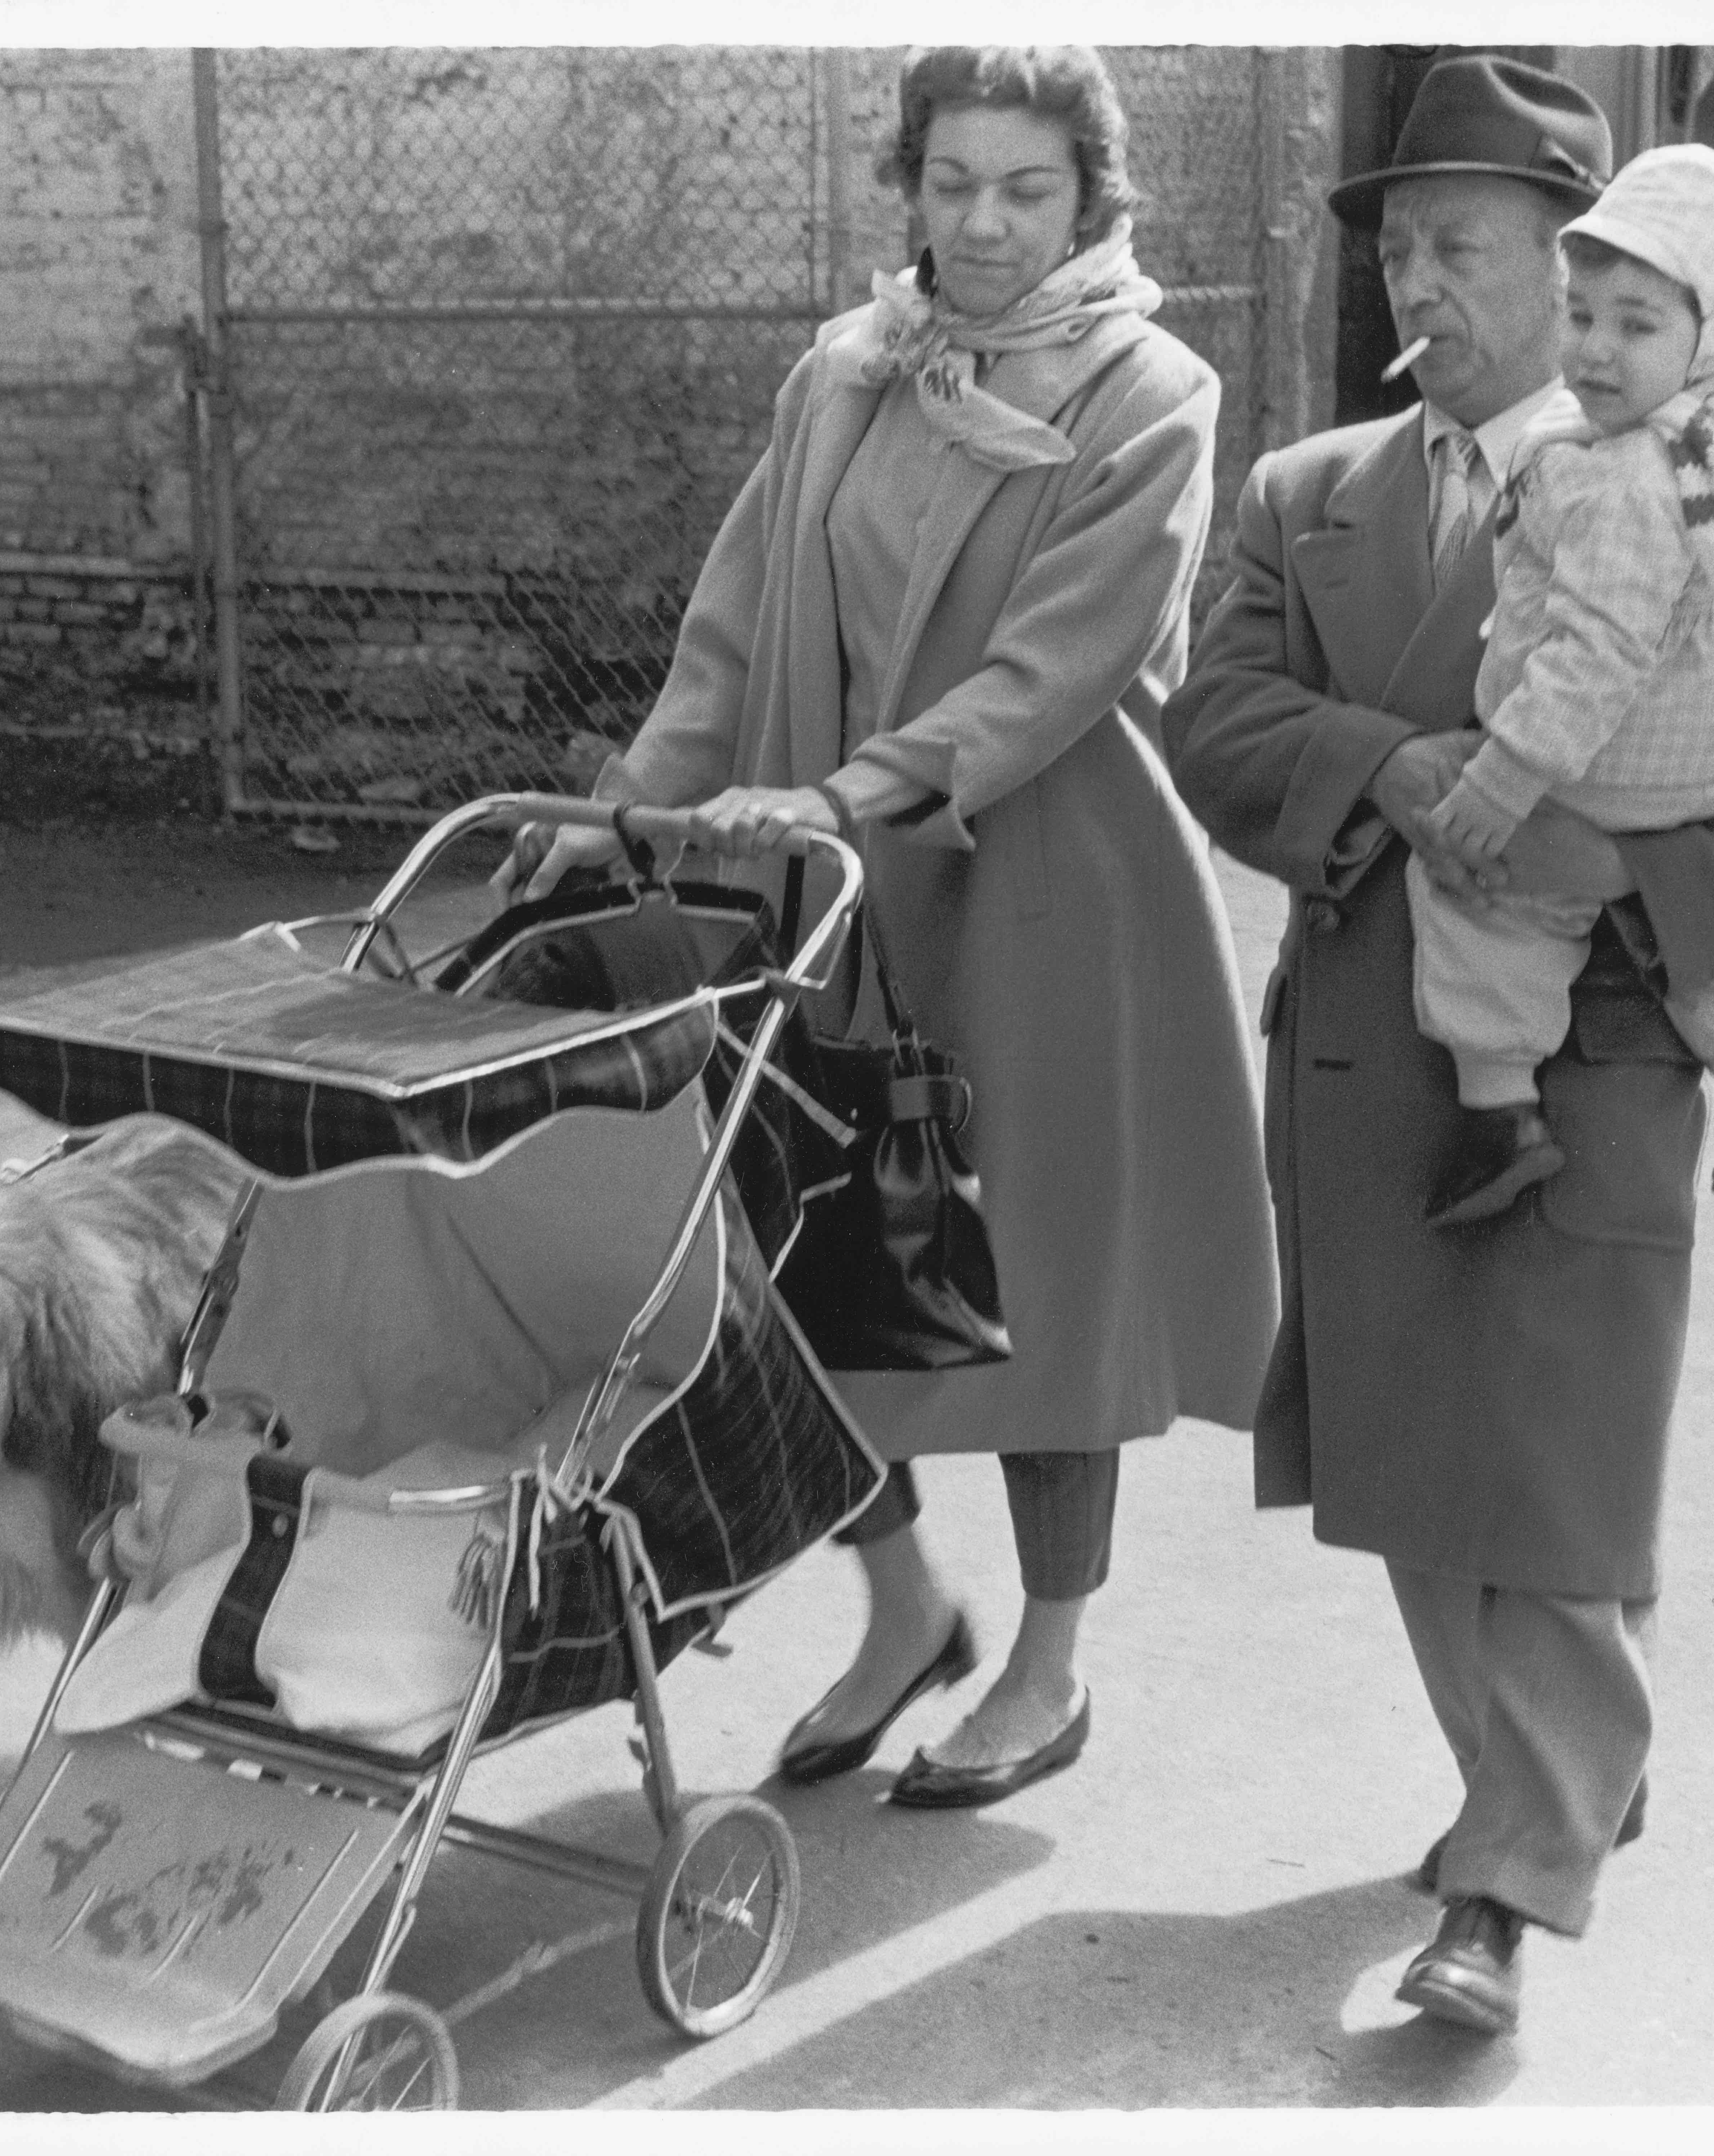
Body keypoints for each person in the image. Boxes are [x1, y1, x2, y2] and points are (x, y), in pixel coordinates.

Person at [1159, 55, 1714, 2037]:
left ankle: (1503, 1875)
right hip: (1368, 1053)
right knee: (1410, 1473)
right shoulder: (1308, 498)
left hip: (1608, 1043)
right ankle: (1541, 1775)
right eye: (1397, 244)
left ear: (1587, 272)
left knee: (1554, 1474)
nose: (1422, 282)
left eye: (1460, 244)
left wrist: (1615, 874)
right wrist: (1392, 761)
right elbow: (1208, 723)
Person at [504, 44, 1275, 1810]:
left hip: (1052, 899)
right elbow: (729, 634)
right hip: (832, 892)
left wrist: (852, 794)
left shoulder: (1149, 390)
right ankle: (904, 1606)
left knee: (1036, 1289)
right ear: (907, 186)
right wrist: (630, 816)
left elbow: (1061, 665)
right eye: (951, 183)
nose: (985, 223)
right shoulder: (846, 372)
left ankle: (1049, 1665)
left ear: (1093, 196)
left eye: (1026, 188)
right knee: (811, 1261)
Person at [1407, 144, 1714, 1228]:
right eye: (1582, 314)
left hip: (1607, 771)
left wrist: (1501, 783)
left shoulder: (1625, 476)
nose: (1595, 352)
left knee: (1487, 898)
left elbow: (1594, 654)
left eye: (1637, 325)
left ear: (1711, 330)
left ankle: (1497, 1112)